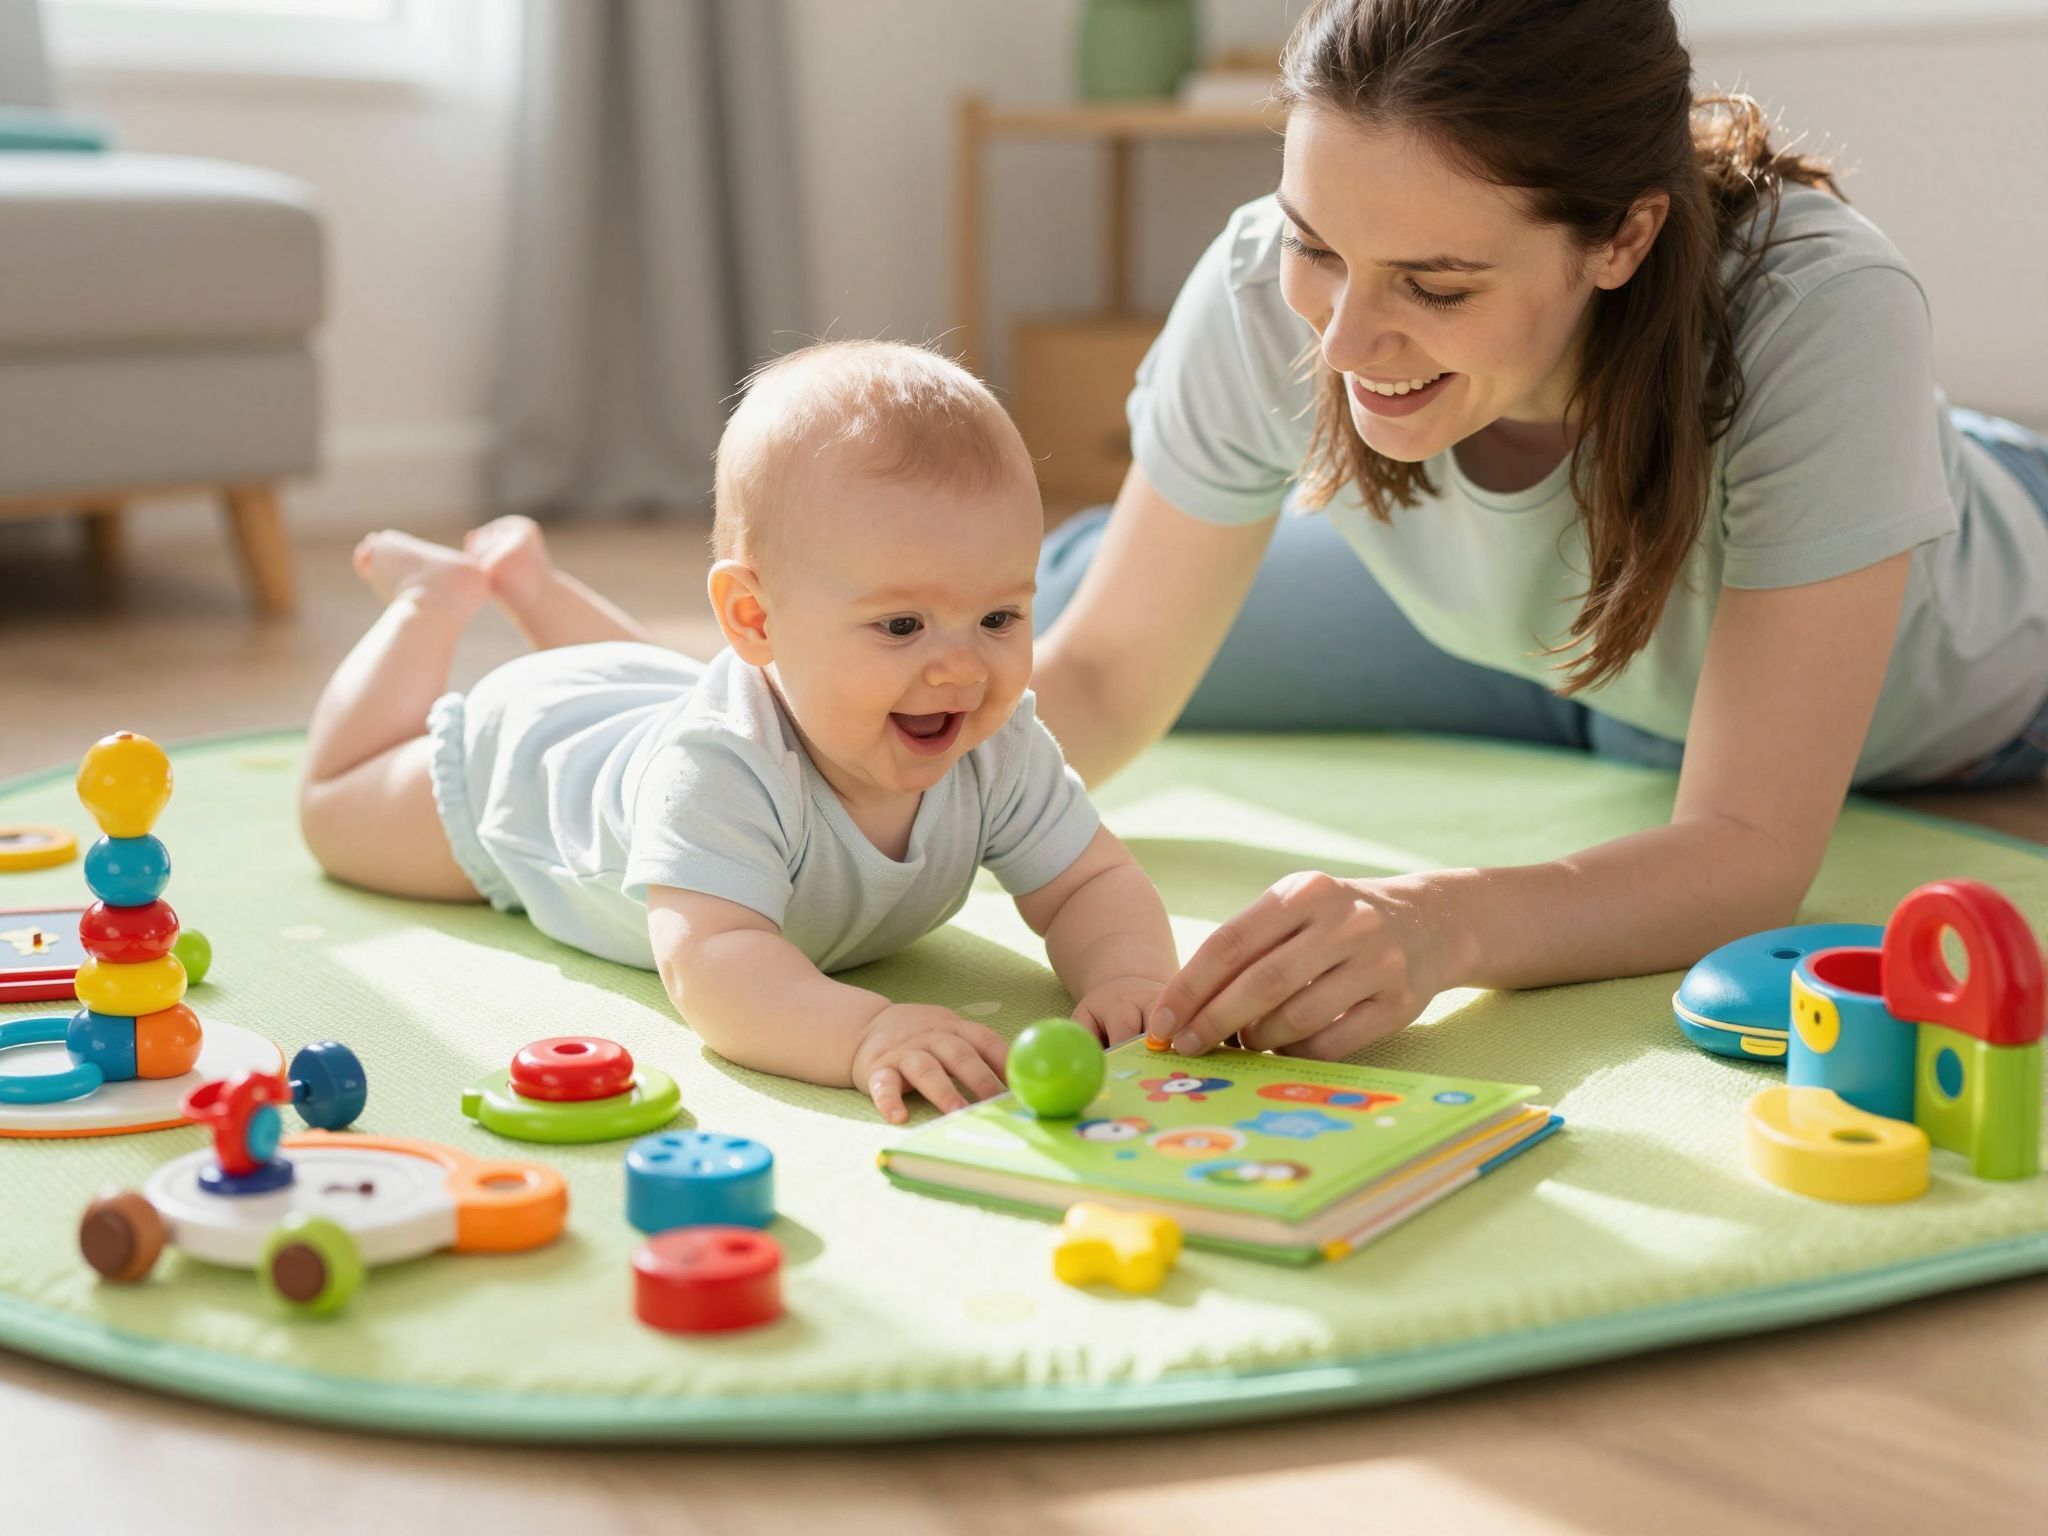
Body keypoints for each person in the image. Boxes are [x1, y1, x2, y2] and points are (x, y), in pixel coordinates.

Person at [1034, 0, 2048, 1063]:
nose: (1339, 340)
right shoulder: (1262, 292)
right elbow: (1102, 674)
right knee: (1038, 615)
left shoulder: (1820, 308)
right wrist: (858, 820)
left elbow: (1746, 850)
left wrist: (1430, 925)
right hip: (1564, 666)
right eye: (1313, 245)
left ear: (1622, 235)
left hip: (1966, 685)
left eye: (1434, 285)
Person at [298, 341, 1178, 1122]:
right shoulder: (719, 767)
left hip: (659, 694)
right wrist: (864, 1032)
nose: (962, 669)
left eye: (998, 617)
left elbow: (1089, 881)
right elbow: (714, 964)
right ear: (754, 620)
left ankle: (533, 587)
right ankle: (433, 601)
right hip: (534, 769)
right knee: (336, 810)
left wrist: (1129, 976)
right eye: (902, 626)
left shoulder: (999, 744)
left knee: (661, 685)